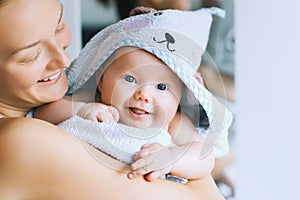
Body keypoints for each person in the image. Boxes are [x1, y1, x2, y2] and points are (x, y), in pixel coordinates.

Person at [0, 0, 226, 199]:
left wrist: (173, 156)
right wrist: (82, 110)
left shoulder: (173, 123)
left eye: (59, 25)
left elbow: (204, 156)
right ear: (102, 79)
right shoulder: (19, 141)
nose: (64, 59)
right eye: (30, 55)